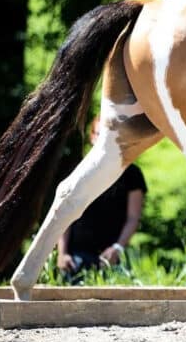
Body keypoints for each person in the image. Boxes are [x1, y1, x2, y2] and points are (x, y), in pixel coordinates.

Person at [57, 118, 146, 278]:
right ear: (92, 137)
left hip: (111, 257)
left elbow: (133, 217)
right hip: (76, 257)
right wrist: (61, 253)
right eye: (99, 134)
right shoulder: (77, 170)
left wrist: (118, 248)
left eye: (108, 135)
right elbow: (64, 213)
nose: (103, 140)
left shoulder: (132, 173)